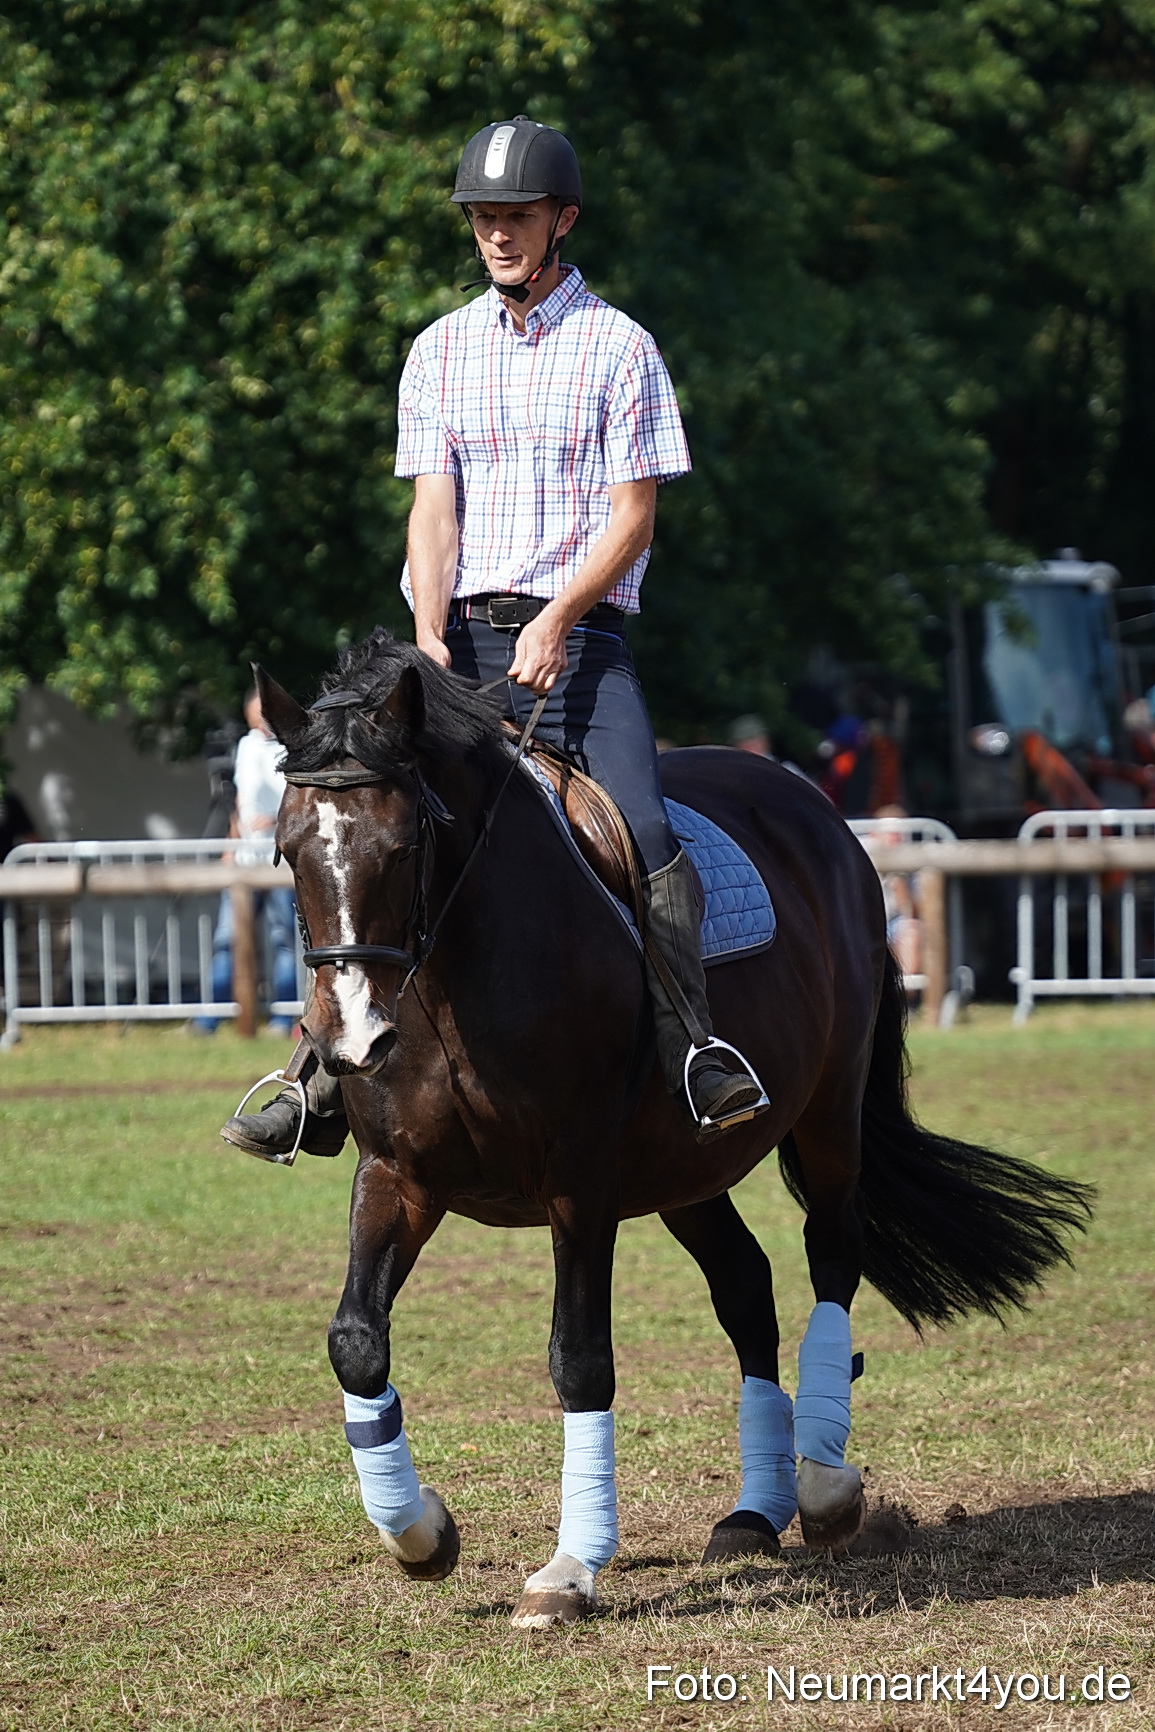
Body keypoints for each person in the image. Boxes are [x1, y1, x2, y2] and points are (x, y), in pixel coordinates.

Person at [222, 115, 766, 1160]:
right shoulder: (438, 351)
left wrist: (562, 615)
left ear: (562, 220)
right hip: (455, 646)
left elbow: (633, 519)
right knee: (358, 819)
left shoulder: (623, 350)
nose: (497, 235)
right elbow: (435, 510)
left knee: (646, 836)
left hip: (582, 648)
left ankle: (693, 1044)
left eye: (515, 216)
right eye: (483, 218)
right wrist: (427, 633)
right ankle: (316, 1076)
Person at [197, 688, 298, 1035]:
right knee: (227, 938)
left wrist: (274, 822)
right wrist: (231, 841)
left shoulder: (291, 748)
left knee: (282, 938)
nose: (260, 724)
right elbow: (240, 802)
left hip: (278, 860)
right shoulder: (247, 746)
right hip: (246, 857)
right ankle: (211, 1016)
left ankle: (283, 1017)